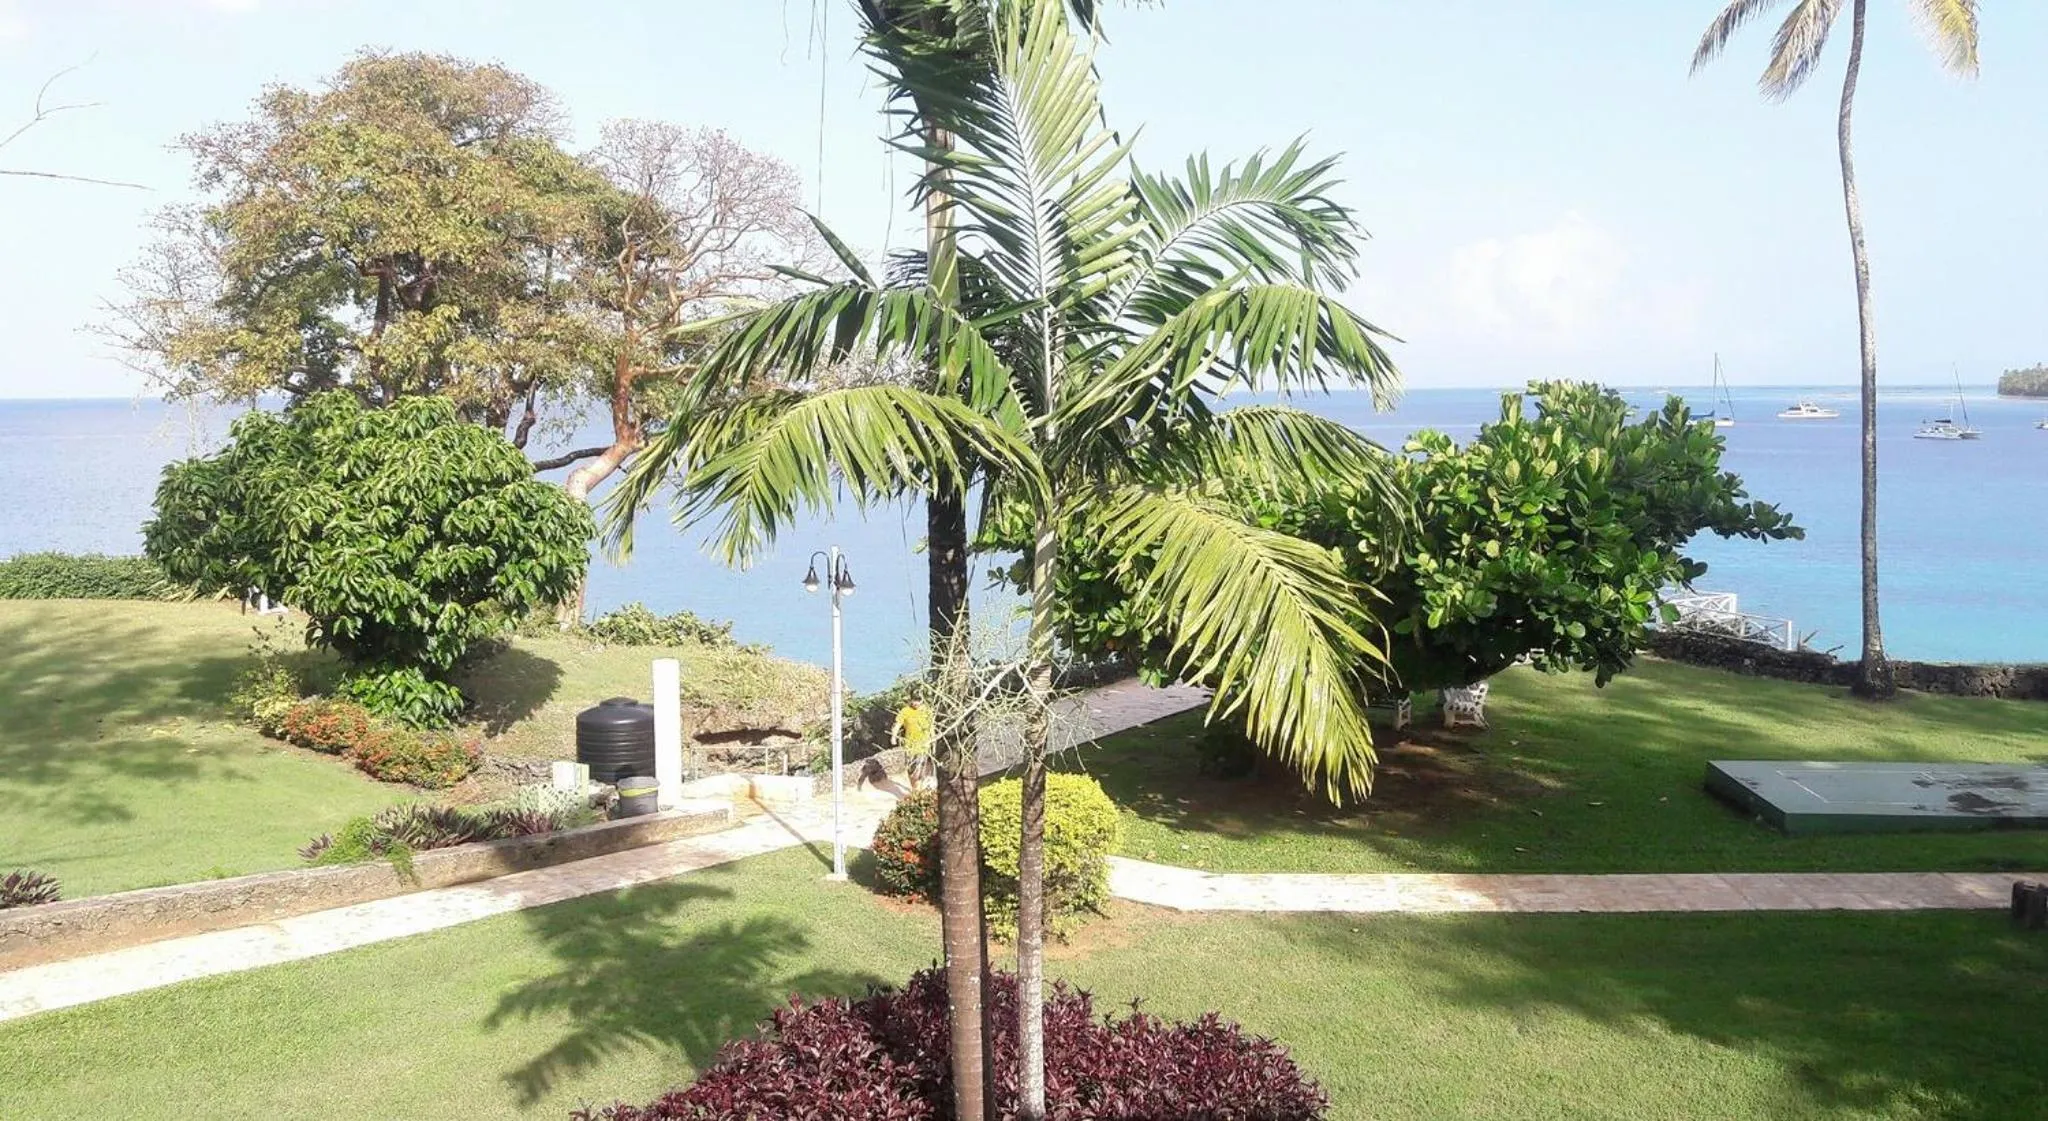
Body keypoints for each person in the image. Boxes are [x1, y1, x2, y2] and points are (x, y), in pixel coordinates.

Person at [891, 693, 935, 791]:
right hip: (910, 745)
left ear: (922, 700)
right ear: (910, 700)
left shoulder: (926, 711)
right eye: (914, 700)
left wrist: (933, 739)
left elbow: (931, 726)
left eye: (918, 700)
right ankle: (914, 788)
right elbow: (898, 724)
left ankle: (919, 789)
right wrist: (893, 737)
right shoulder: (905, 711)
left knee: (920, 768)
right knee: (911, 769)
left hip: (924, 745)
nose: (916, 703)